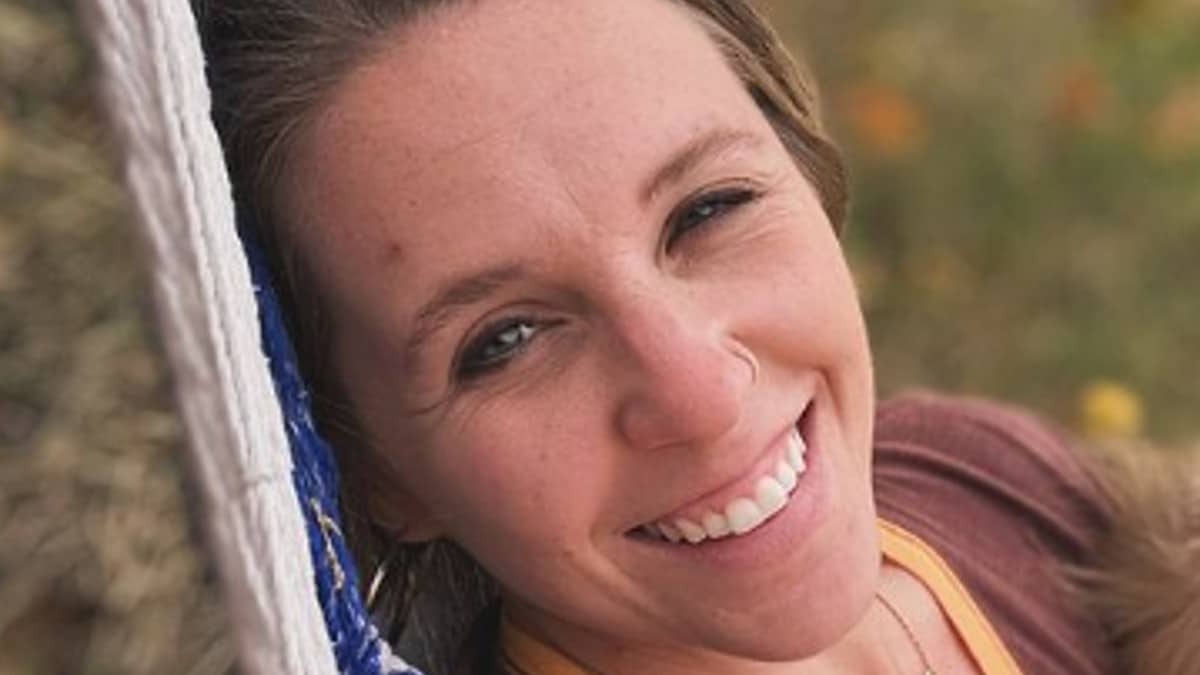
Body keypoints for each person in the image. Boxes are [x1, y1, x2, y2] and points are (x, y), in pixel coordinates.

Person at [193, 1, 1198, 673]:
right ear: (370, 471)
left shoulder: (987, 484)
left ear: (803, 163)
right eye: (503, 341)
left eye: (708, 210)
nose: (700, 390)